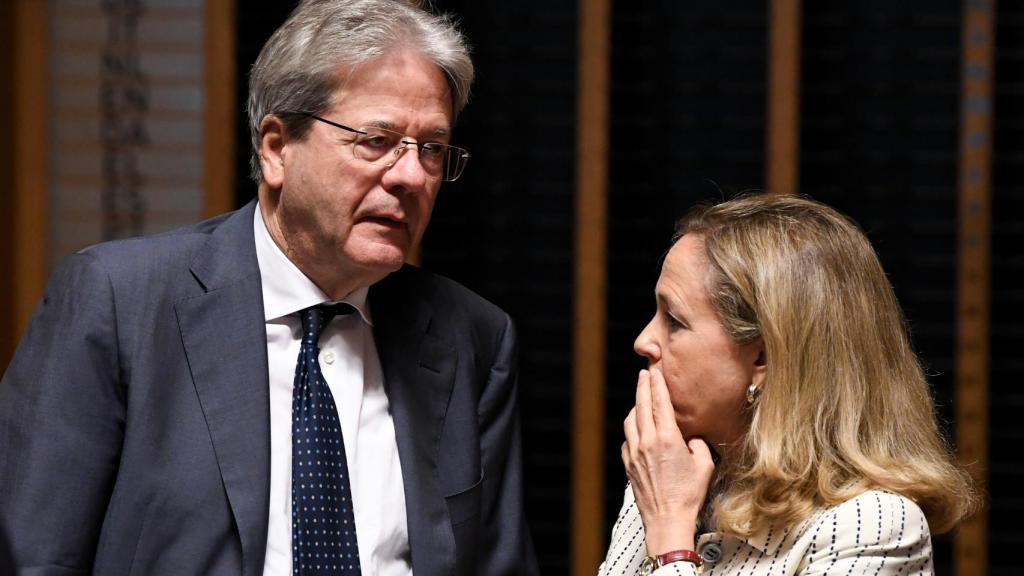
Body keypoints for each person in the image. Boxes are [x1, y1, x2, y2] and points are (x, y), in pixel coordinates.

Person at [0, 1, 538, 574]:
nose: (411, 176)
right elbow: (34, 555)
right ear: (276, 147)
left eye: (432, 149)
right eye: (376, 140)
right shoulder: (120, 302)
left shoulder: (469, 337)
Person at [599, 194, 977, 575]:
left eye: (674, 320)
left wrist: (670, 545)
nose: (644, 340)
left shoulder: (874, 525)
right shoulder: (665, 483)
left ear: (762, 357)